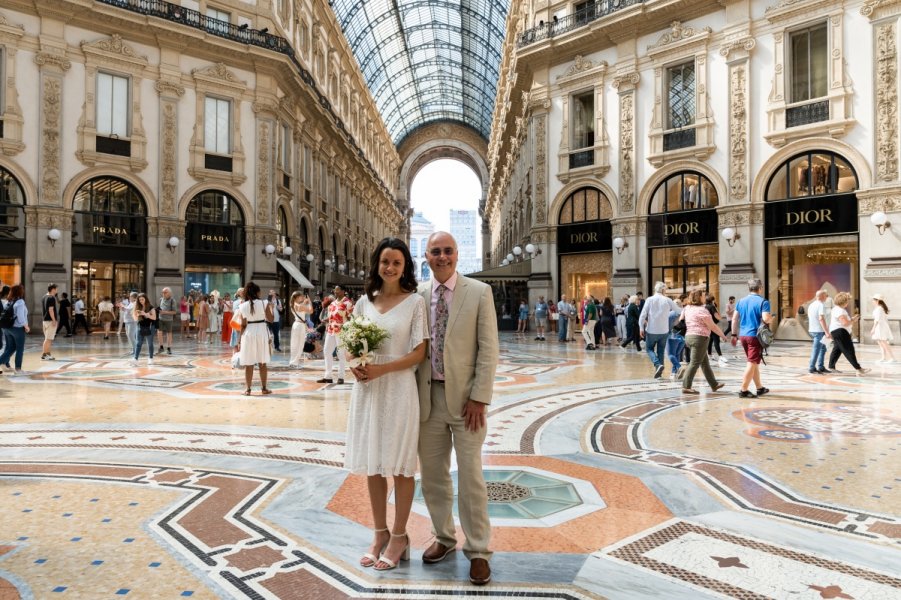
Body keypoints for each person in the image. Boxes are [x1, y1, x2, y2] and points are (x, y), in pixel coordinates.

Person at [416, 231, 498, 586]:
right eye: (436, 251)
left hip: (467, 402)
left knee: (471, 477)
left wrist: (480, 396)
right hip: (427, 399)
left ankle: (478, 551)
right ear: (427, 255)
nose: (442, 257)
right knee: (433, 477)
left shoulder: (479, 292)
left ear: (457, 254)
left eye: (448, 251)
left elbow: (488, 348)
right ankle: (445, 538)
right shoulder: (416, 296)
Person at [346, 238, 428, 572]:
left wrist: (382, 368)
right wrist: (354, 363)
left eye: (396, 262)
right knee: (374, 464)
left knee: (400, 465)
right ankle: (378, 533)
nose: (390, 268)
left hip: (398, 389)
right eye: (384, 262)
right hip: (368, 392)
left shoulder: (414, 303)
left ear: (405, 266)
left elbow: (419, 352)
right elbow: (347, 341)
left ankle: (399, 536)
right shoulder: (363, 303)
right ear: (376, 264)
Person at [730, 279, 773, 398]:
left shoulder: (740, 301)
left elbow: (734, 319)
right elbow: (765, 318)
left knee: (753, 362)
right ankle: (743, 390)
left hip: (743, 336)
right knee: (751, 362)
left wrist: (734, 335)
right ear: (760, 288)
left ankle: (759, 387)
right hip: (755, 336)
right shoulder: (763, 302)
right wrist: (771, 318)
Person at [679, 290, 727, 394]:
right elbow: (713, 326)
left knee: (704, 363)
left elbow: (681, 319)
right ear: (699, 297)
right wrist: (722, 335)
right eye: (703, 296)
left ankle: (714, 384)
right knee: (695, 363)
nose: (705, 298)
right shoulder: (702, 310)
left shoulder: (687, 308)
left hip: (689, 337)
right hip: (699, 338)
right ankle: (686, 386)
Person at [235, 282, 274, 395]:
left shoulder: (242, 305)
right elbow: (271, 319)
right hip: (261, 331)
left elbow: (243, 325)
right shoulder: (264, 303)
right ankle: (264, 388)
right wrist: (271, 308)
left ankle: (248, 390)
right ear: (257, 292)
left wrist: (239, 341)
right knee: (262, 362)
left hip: (248, 333)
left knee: (249, 363)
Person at [638, 282, 677, 379]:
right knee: (660, 351)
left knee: (649, 349)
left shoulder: (649, 299)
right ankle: (659, 374)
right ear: (663, 290)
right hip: (664, 330)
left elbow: (643, 315)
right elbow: (678, 310)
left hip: (652, 330)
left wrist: (641, 328)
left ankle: (657, 365)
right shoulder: (668, 300)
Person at [827, 292, 870, 375]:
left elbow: (843, 321)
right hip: (841, 331)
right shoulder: (840, 310)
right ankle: (858, 368)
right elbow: (845, 323)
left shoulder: (836, 309)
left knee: (837, 349)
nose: (848, 302)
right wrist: (853, 320)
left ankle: (831, 366)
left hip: (836, 331)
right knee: (849, 350)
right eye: (847, 301)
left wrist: (851, 319)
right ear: (844, 302)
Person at [317, 285, 353, 384]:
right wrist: (326, 320)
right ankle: (328, 376)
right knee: (327, 351)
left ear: (343, 291)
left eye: (337, 290)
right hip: (330, 330)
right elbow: (331, 317)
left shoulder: (348, 303)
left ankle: (341, 377)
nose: (335, 292)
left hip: (342, 330)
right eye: (334, 290)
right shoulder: (332, 303)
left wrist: (347, 329)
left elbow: (351, 318)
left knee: (341, 353)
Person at [0, 285, 29, 374]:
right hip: (17, 329)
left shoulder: (8, 301)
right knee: (19, 348)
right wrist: (26, 326)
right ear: (20, 292)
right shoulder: (20, 302)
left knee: (10, 348)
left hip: (6, 328)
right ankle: (18, 369)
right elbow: (20, 317)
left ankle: (4, 364)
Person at [807, 290, 831, 374]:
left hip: (812, 329)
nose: (826, 297)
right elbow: (821, 318)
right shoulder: (821, 305)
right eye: (825, 296)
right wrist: (827, 331)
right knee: (816, 349)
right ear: (821, 296)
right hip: (819, 331)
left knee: (823, 348)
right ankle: (812, 367)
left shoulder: (811, 305)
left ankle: (821, 366)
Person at [131, 294, 157, 366]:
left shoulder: (151, 307)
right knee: (138, 343)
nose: (141, 301)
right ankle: (135, 359)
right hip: (140, 326)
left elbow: (154, 318)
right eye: (140, 300)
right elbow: (135, 319)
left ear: (146, 299)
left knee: (150, 343)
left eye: (142, 299)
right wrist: (137, 315)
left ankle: (151, 358)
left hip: (150, 327)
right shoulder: (137, 307)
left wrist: (145, 314)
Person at [288, 290, 312, 368]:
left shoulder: (293, 304)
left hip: (296, 324)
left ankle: (293, 362)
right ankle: (294, 363)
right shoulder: (299, 306)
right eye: (301, 296)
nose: (302, 297)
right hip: (300, 326)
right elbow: (311, 311)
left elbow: (301, 306)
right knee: (300, 345)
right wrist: (310, 302)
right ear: (297, 297)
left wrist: (304, 302)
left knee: (294, 344)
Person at [667, 293, 688, 380]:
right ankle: (673, 373)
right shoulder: (685, 312)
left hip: (673, 335)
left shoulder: (671, 313)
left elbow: (667, 325)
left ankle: (678, 367)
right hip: (683, 337)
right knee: (677, 354)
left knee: (670, 354)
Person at [871, 293, 896, 363]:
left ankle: (892, 358)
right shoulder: (879, 308)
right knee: (880, 342)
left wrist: (873, 328)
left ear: (877, 301)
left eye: (873, 300)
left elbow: (877, 319)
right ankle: (883, 357)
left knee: (883, 342)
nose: (872, 301)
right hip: (880, 326)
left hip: (880, 326)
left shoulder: (879, 308)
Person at [705, 295, 725, 364]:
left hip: (707, 326)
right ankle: (720, 356)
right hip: (713, 325)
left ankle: (709, 354)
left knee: (710, 341)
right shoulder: (712, 307)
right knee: (716, 341)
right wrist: (716, 309)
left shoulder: (705, 307)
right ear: (712, 300)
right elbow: (718, 316)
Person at [156, 287, 177, 355]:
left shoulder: (172, 300)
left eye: (165, 292)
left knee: (169, 333)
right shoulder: (161, 299)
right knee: (159, 332)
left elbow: (174, 312)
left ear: (169, 293)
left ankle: (169, 348)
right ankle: (161, 347)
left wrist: (164, 312)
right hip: (160, 319)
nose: (163, 294)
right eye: (162, 292)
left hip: (169, 320)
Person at [41, 284, 59, 359]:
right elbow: (51, 310)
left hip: (45, 320)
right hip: (50, 320)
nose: (57, 290)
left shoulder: (44, 297)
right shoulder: (51, 298)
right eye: (56, 289)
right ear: (53, 289)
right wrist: (54, 320)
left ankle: (47, 353)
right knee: (48, 339)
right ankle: (45, 355)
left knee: (48, 338)